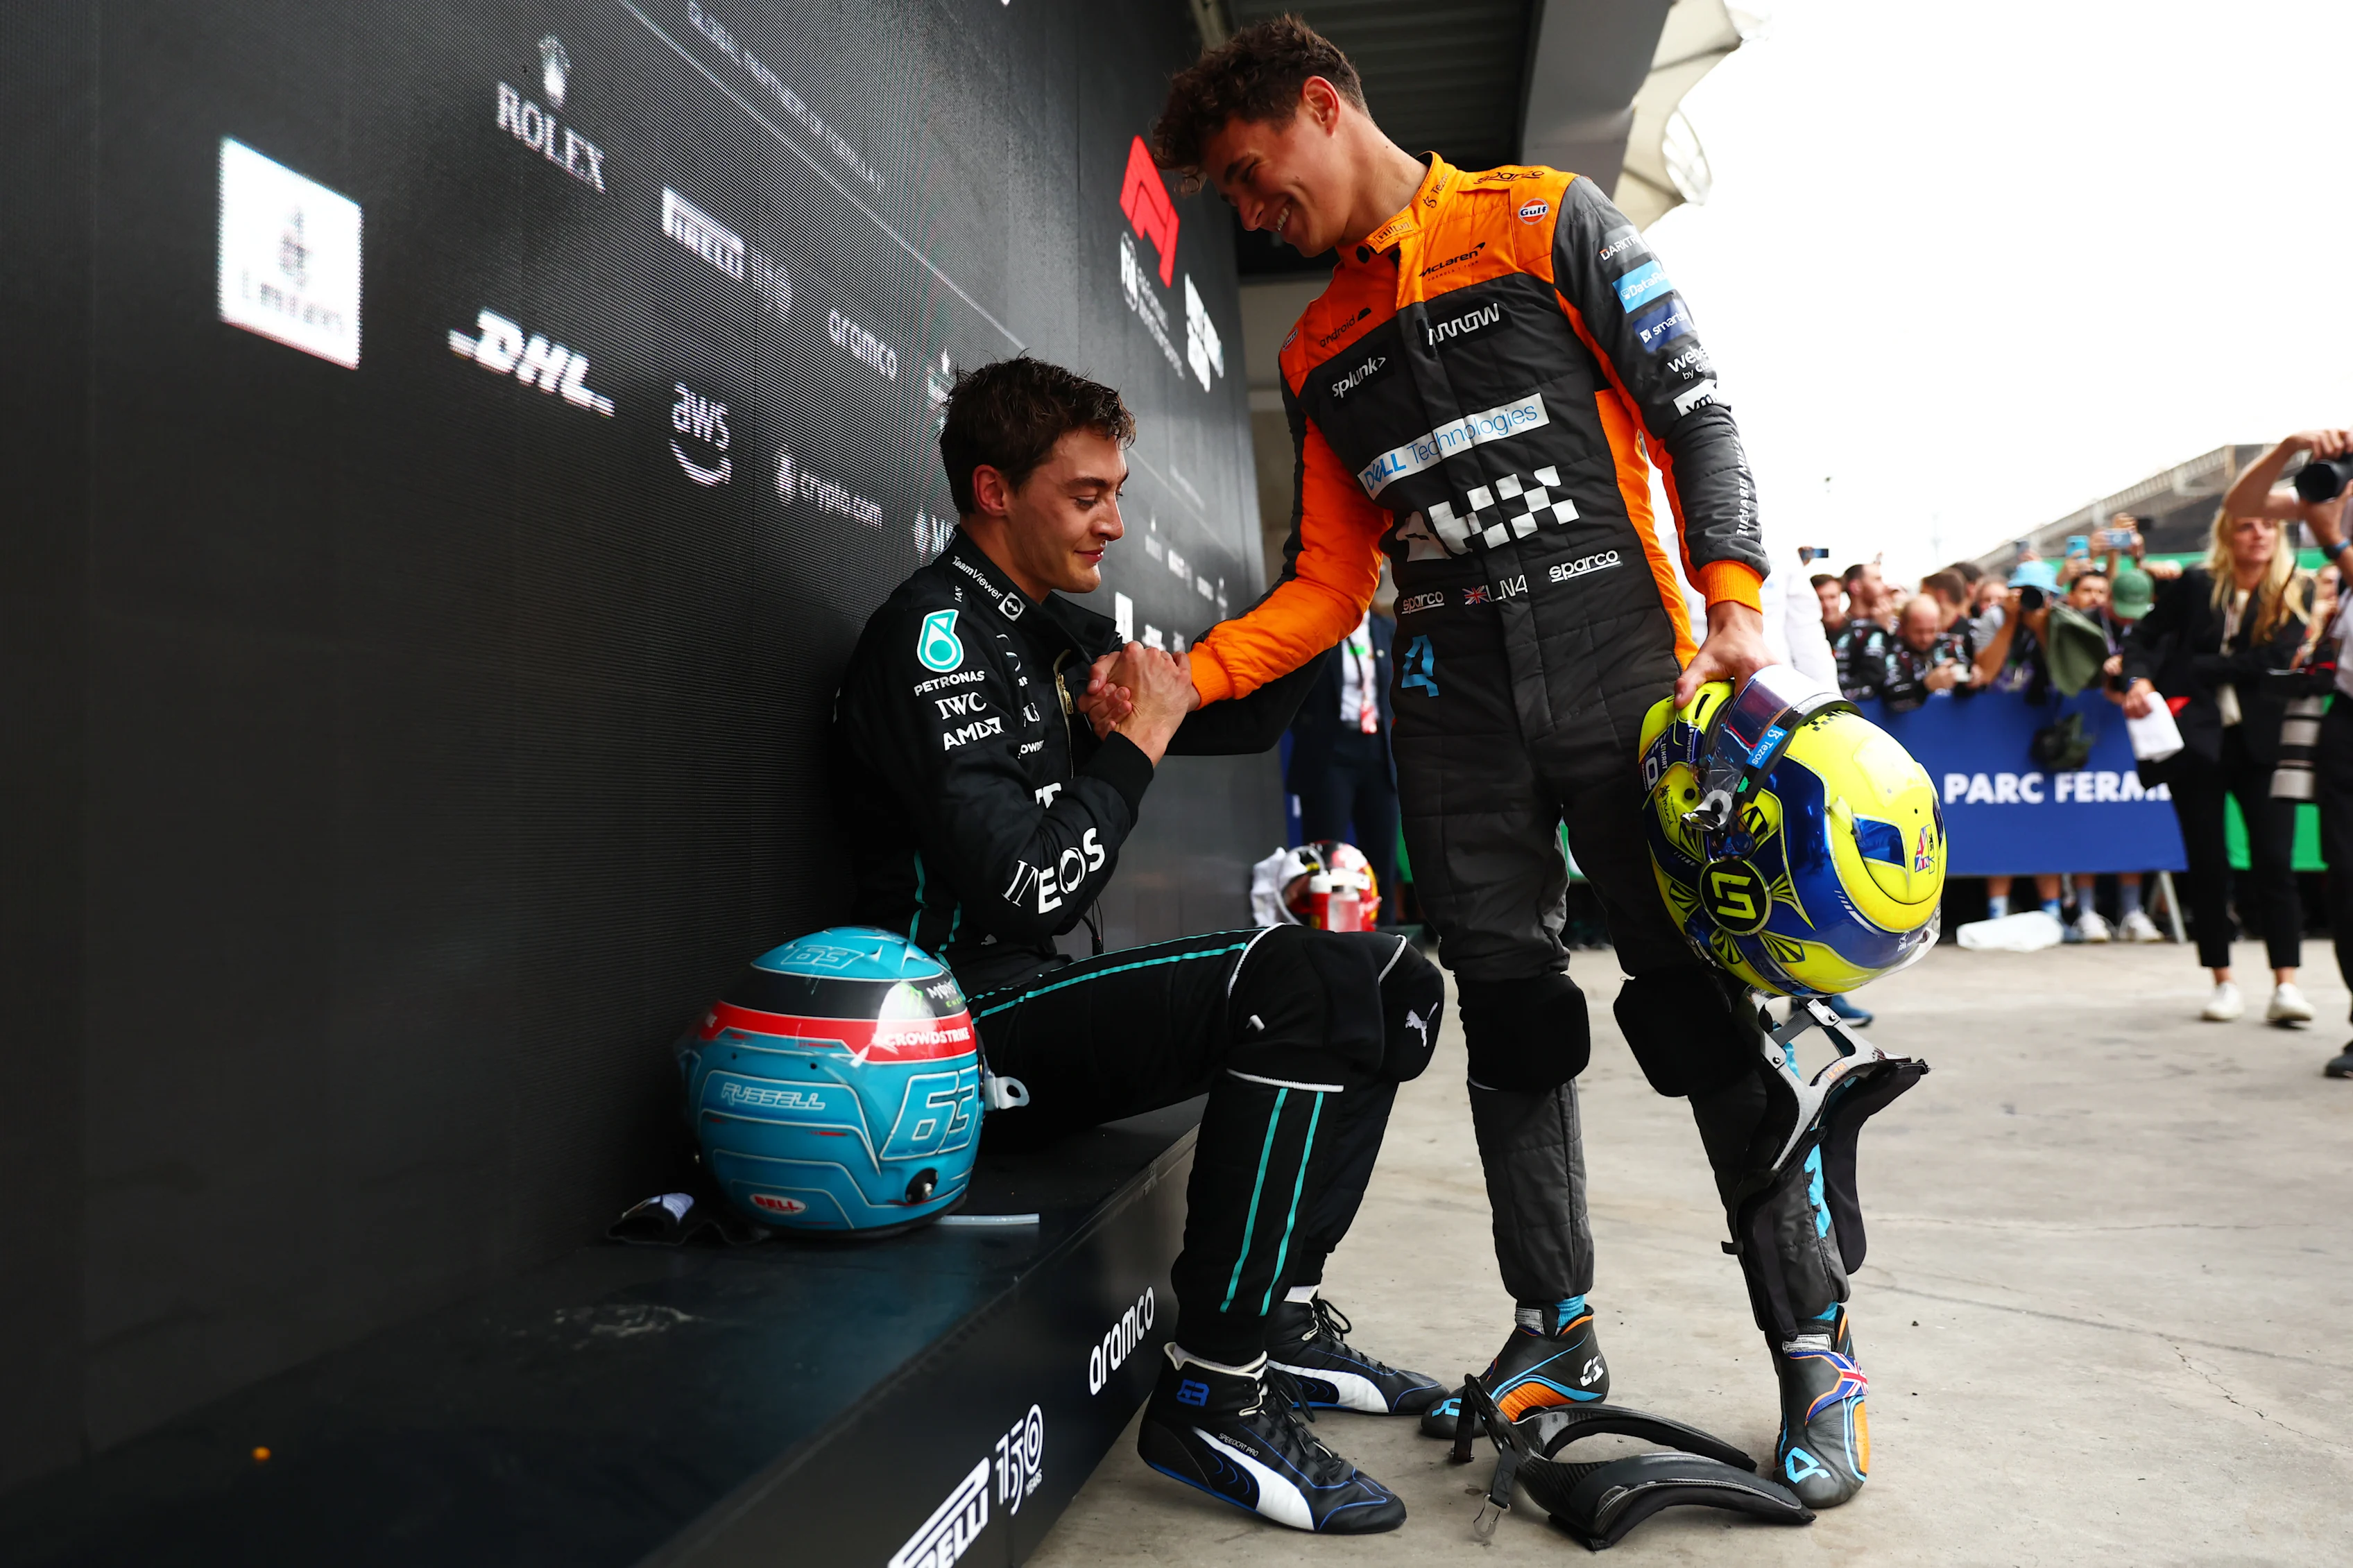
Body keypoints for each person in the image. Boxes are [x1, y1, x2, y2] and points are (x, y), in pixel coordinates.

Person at [1133, 17, 1873, 1509]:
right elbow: (1327, 589)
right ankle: (1559, 1329)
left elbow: (1696, 410)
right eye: (1231, 193)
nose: (1251, 209)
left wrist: (1734, 608)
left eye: (1254, 172)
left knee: (1699, 1014)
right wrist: (1185, 675)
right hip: (1450, 706)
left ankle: (1818, 1346)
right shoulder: (1314, 346)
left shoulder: (1541, 219)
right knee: (1515, 1023)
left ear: (1323, 107)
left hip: (1627, 672)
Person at [833, 357, 1448, 1534]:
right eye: (1085, 495)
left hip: (1036, 1000)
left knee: (1392, 975)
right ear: (993, 491)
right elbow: (1026, 888)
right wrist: (1133, 744)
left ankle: (1280, 1318)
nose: (1114, 521)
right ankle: (1215, 1389)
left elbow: (1247, 711)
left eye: (1117, 492)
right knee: (1304, 978)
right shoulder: (932, 639)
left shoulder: (1052, 634)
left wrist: (1337, 571)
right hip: (946, 1039)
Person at [2121, 499, 2317, 1025]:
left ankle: (2286, 985)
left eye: (2268, 525)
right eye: (2247, 525)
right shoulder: (2196, 584)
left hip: (2264, 743)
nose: (2259, 534)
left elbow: (2274, 662)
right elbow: (2142, 637)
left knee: (2275, 861)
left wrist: (2197, 667)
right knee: (2208, 865)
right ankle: (2223, 981)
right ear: (2228, 534)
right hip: (2197, 742)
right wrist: (2139, 678)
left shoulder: (2295, 587)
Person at [2221, 427, 2353, 1074]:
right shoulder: (2340, 496)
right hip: (2345, 711)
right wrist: (2289, 451)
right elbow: (2240, 506)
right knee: (2346, 876)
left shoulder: (2335, 527)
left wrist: (2333, 540)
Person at [1286, 605, 1400, 917]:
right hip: (1331, 751)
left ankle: (1387, 935)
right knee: (1328, 857)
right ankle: (1330, 933)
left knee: (1382, 856)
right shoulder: (1321, 628)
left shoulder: (1386, 630)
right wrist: (1308, 730)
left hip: (1378, 750)